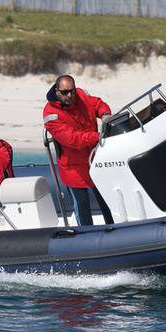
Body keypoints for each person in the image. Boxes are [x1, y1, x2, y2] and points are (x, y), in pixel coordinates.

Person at [43, 75, 114, 226]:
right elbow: (72, 139)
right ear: (57, 91)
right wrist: (98, 137)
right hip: (73, 168)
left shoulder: (81, 95)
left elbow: (97, 103)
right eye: (65, 92)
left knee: (108, 201)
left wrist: (104, 114)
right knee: (82, 207)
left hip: (95, 160)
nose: (70, 95)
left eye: (72, 91)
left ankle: (115, 228)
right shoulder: (50, 114)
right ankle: (86, 234)